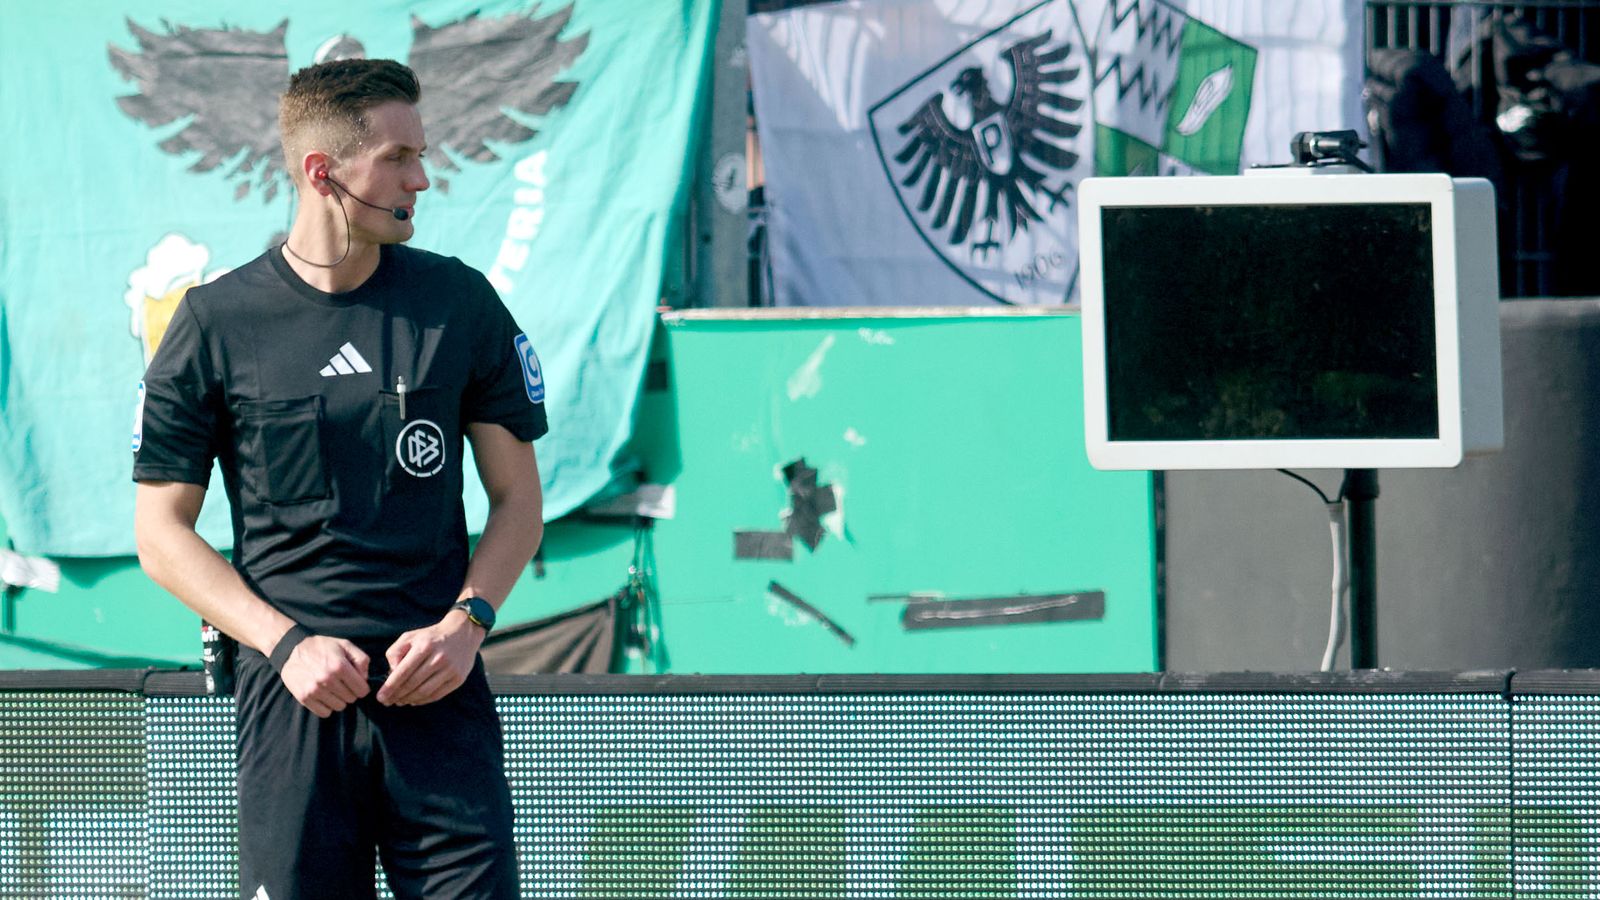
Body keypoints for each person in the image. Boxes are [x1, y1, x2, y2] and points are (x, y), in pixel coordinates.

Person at [132, 58, 545, 900]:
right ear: (323, 172)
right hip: (295, 706)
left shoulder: (459, 303)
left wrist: (467, 625)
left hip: (440, 699)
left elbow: (518, 502)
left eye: (420, 156)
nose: (421, 179)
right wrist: (283, 644)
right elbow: (160, 535)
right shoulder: (215, 323)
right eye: (398, 158)